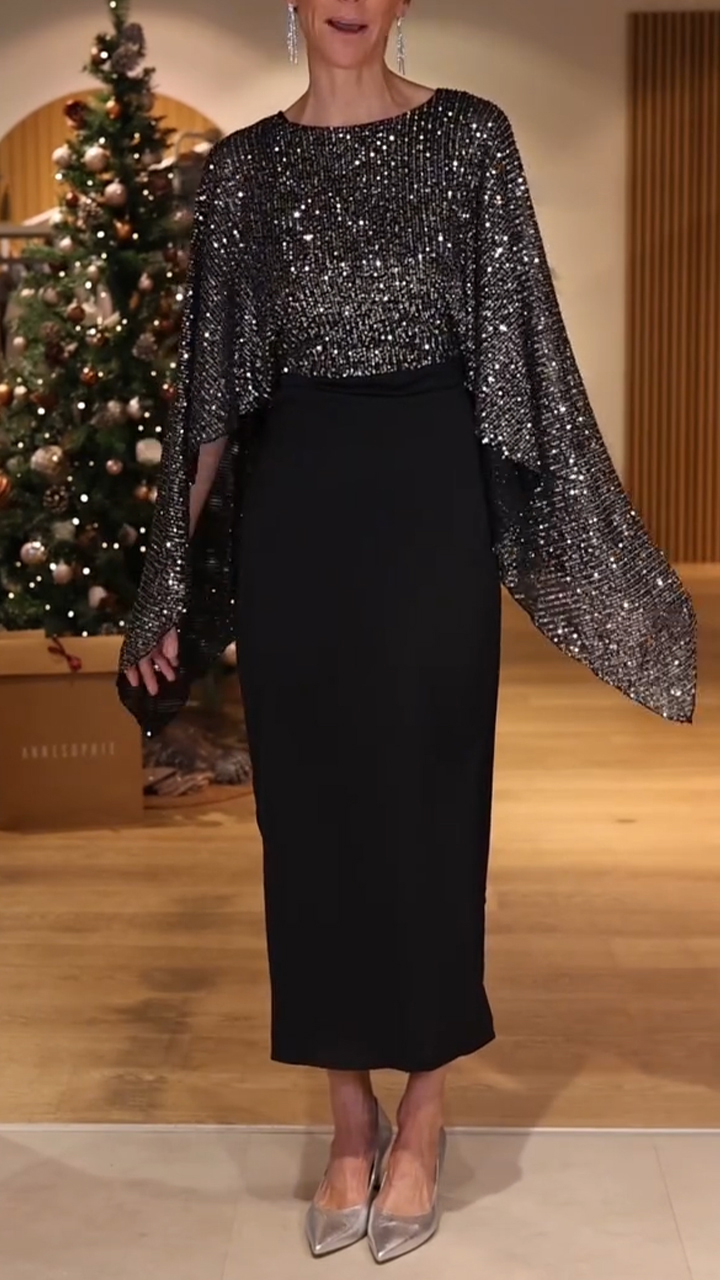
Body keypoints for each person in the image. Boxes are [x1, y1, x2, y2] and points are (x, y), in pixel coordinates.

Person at [117, 0, 698, 1264]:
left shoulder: (472, 140)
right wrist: (164, 576)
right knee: (313, 818)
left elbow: (527, 348)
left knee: (431, 804)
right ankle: (348, 1117)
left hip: (430, 510)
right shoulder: (245, 172)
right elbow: (207, 391)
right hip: (298, 519)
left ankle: (426, 1108)